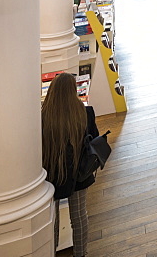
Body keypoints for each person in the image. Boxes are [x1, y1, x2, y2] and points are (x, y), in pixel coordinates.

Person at [41, 73, 99, 257]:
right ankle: (81, 253)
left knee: (53, 217)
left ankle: (53, 251)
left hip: (53, 173)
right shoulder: (86, 112)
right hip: (79, 173)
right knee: (79, 215)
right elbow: (94, 141)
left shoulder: (44, 117)